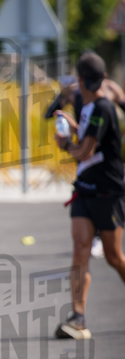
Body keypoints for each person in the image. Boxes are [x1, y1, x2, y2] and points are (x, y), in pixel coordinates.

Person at [54, 52, 125, 339]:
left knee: (113, 256)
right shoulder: (86, 107)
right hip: (85, 189)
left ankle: (78, 315)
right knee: (80, 247)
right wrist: (73, 129)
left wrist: (65, 145)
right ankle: (78, 317)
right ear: (104, 79)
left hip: (108, 191)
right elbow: (87, 139)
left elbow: (85, 151)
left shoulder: (103, 108)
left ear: (79, 79)